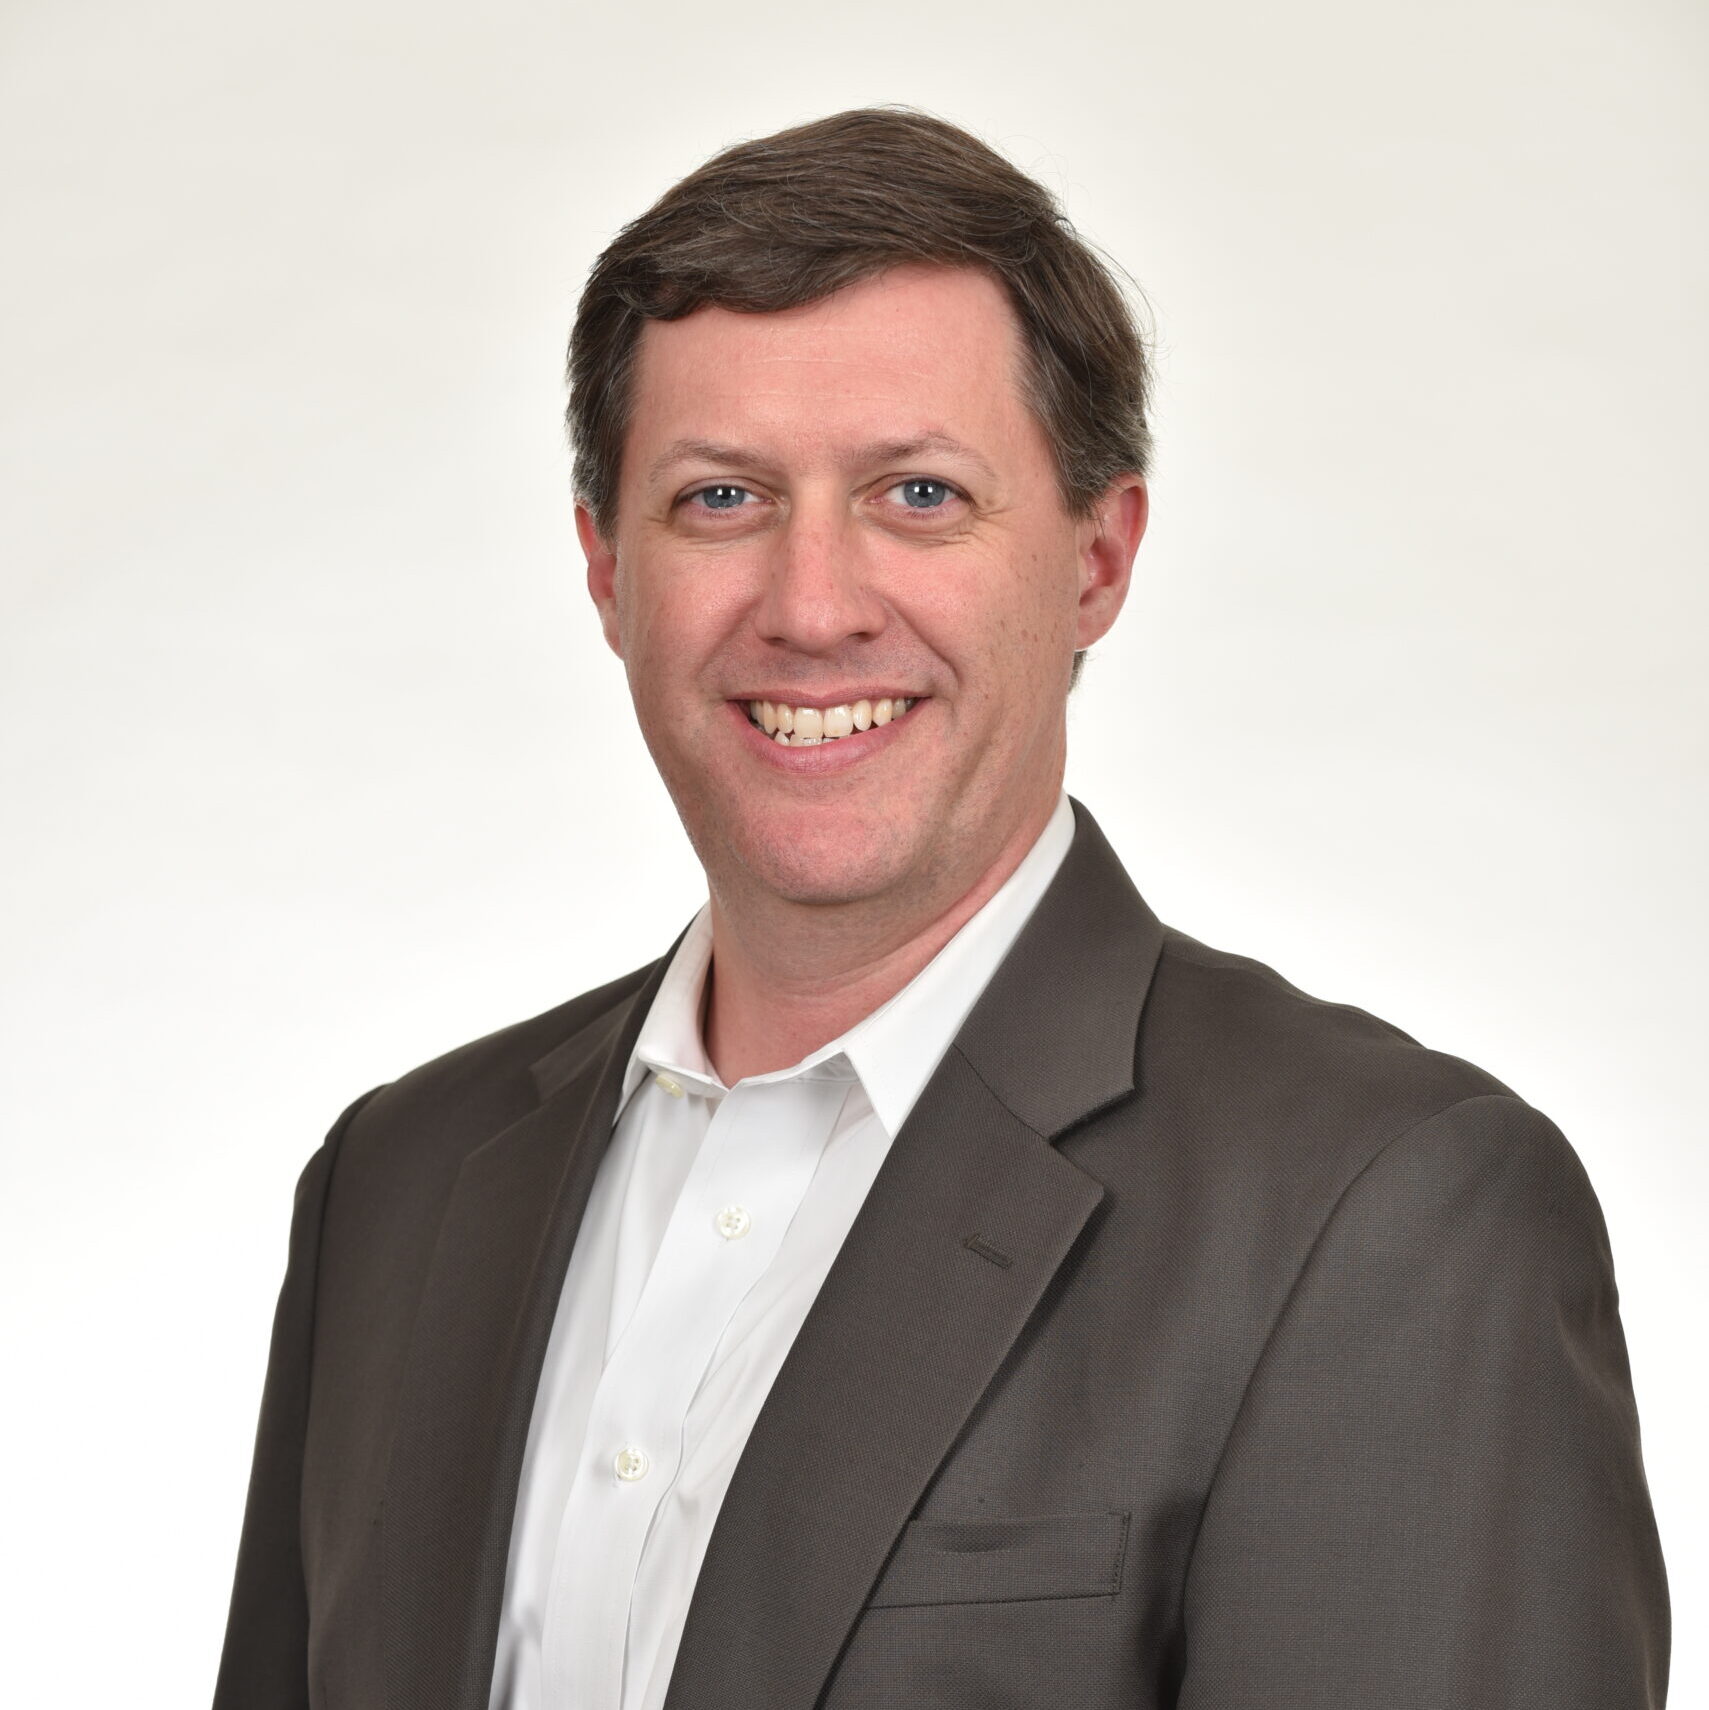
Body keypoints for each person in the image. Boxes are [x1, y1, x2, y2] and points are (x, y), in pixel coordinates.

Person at [212, 107, 1669, 1710]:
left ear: (1097, 558)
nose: (812, 603)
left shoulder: (1381, 1216)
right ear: (605, 573)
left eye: (915, 493)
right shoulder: (397, 1187)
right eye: (719, 499)